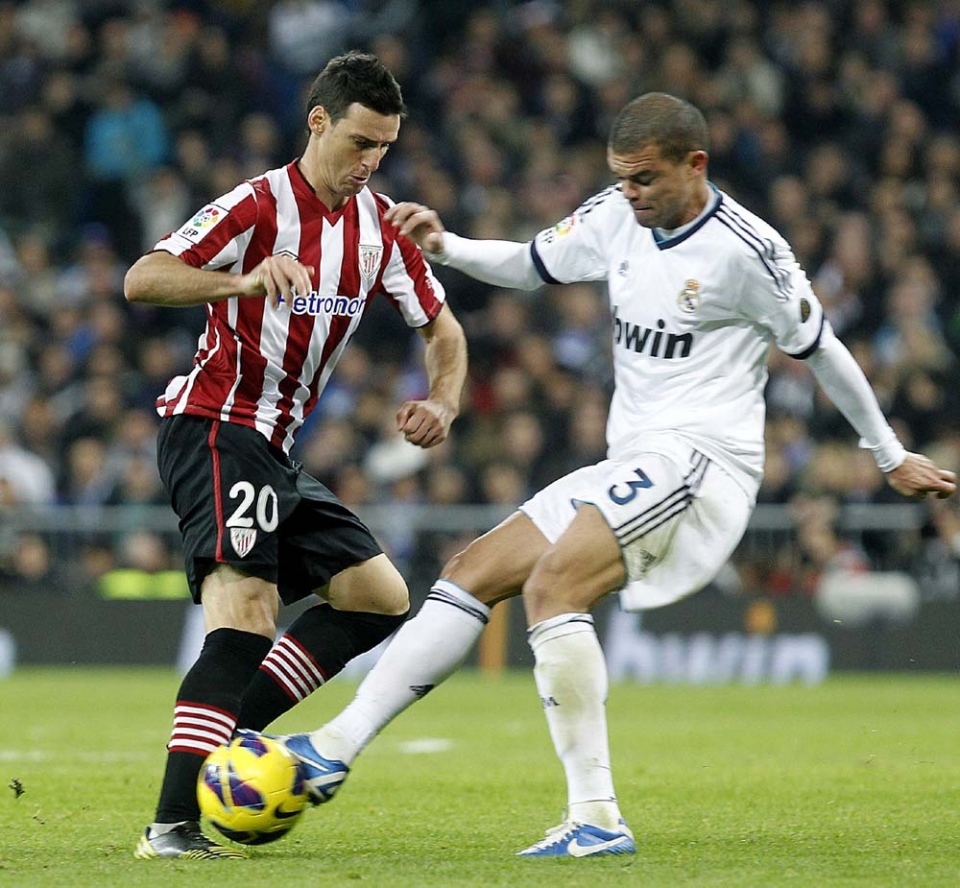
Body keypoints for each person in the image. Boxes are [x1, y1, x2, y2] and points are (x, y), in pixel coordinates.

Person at [243, 92, 957, 858]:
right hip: (635, 461)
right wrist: (446, 244)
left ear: (695, 165)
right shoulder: (620, 214)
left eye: (645, 179)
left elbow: (823, 349)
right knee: (471, 570)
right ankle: (336, 746)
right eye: (622, 178)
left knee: (554, 588)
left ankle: (597, 818)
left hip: (701, 464)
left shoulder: (749, 252)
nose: (632, 193)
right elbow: (530, 264)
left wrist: (887, 453)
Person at [124, 51, 467, 860]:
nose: (370, 163)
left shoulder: (380, 227)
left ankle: (224, 741)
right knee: (245, 615)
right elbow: (144, 277)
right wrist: (240, 283)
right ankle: (172, 827)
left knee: (379, 597)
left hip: (275, 443)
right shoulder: (256, 206)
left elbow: (443, 331)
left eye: (383, 148)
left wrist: (444, 399)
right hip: (214, 421)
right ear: (318, 121)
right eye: (358, 143)